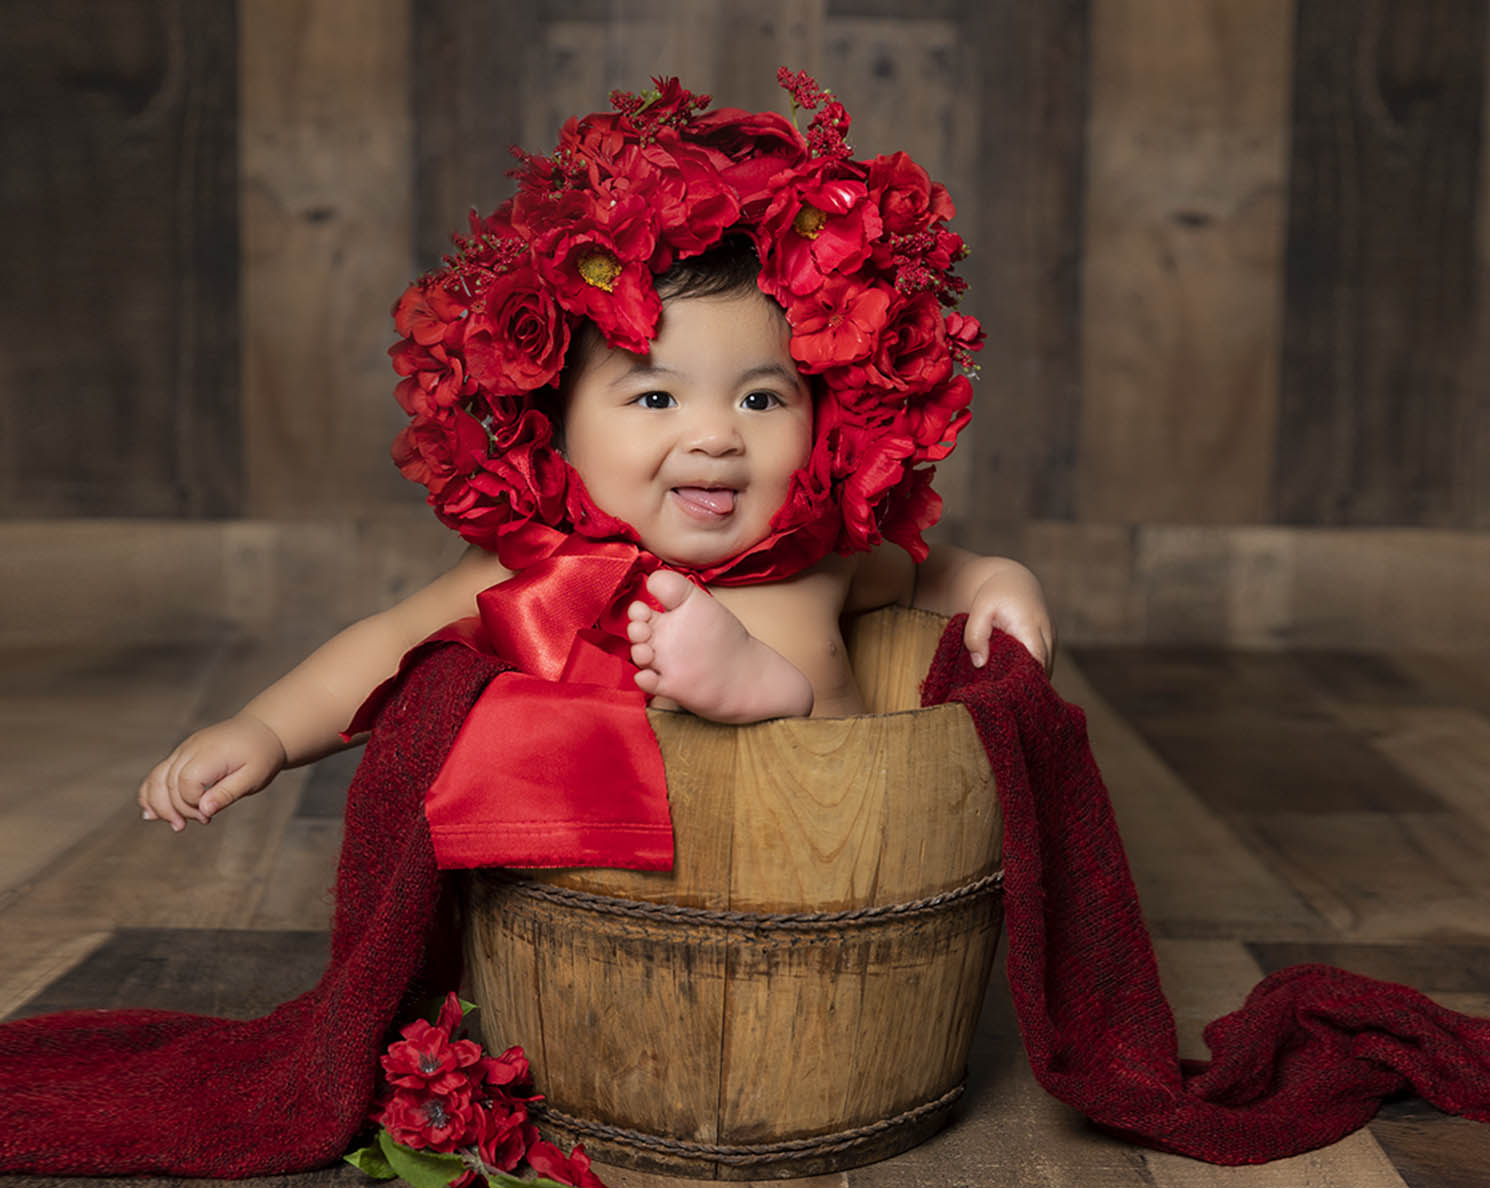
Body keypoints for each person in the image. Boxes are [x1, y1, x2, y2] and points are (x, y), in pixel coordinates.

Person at [136, 74, 1054, 833]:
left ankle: (779, 700)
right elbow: (385, 648)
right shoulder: (540, 571)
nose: (715, 435)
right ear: (557, 428)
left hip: (823, 874)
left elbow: (942, 576)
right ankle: (752, 693)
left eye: (762, 397)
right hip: (608, 918)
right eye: (656, 396)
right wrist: (262, 730)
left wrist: (1000, 585)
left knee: (851, 758)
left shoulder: (817, 561)